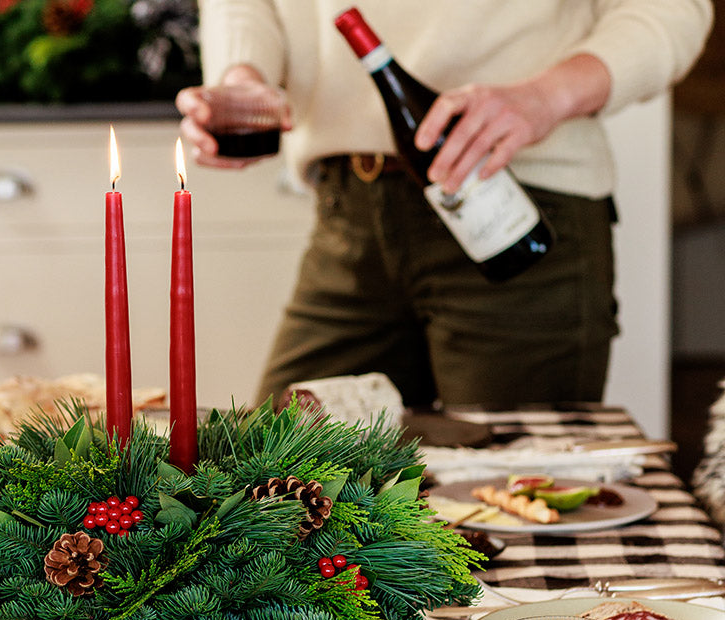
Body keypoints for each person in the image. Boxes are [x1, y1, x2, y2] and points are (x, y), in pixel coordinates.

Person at [177, 2, 713, 411]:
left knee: (513, 502)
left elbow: (670, 10)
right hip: (349, 212)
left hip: (517, 206)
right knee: (268, 490)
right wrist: (242, 77)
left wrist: (544, 97)